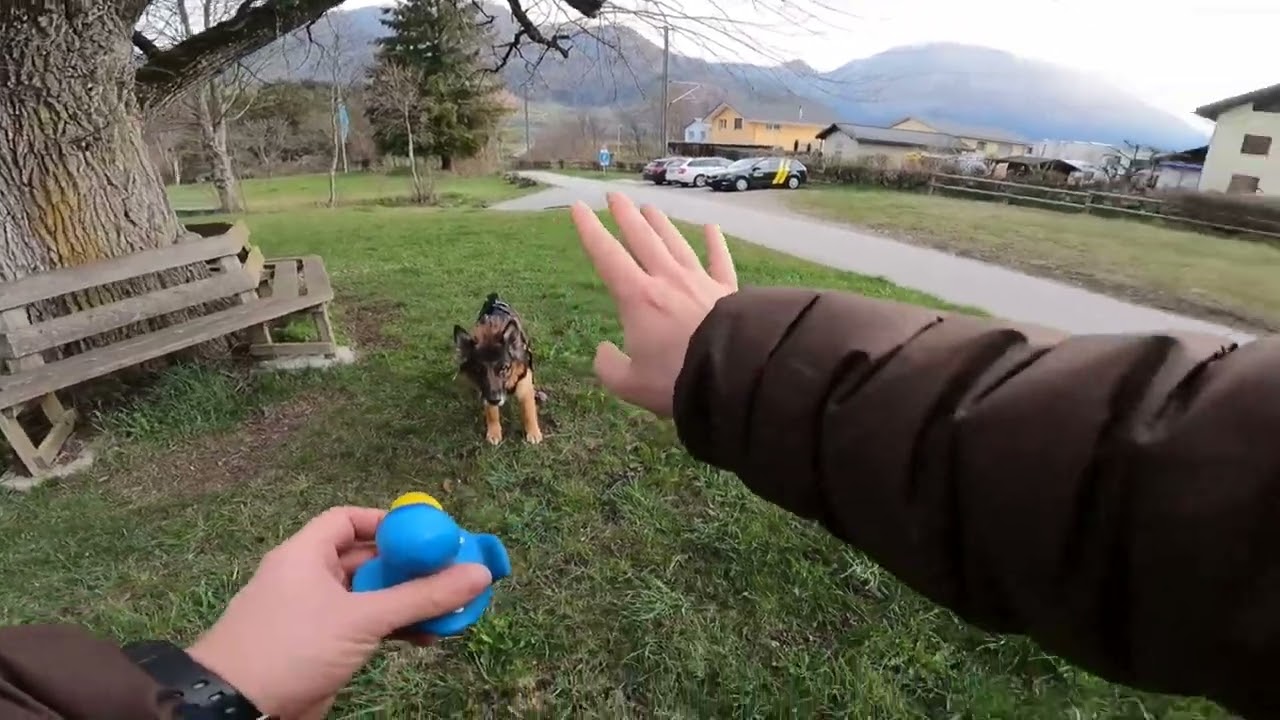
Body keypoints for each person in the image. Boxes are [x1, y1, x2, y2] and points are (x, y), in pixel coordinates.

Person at [1, 191, 1275, 718]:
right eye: (495, 362)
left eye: (505, 360)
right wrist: (210, 688)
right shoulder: (477, 362)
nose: (501, 363)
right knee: (494, 413)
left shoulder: (523, 355)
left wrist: (211, 686)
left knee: (526, 411)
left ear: (516, 347)